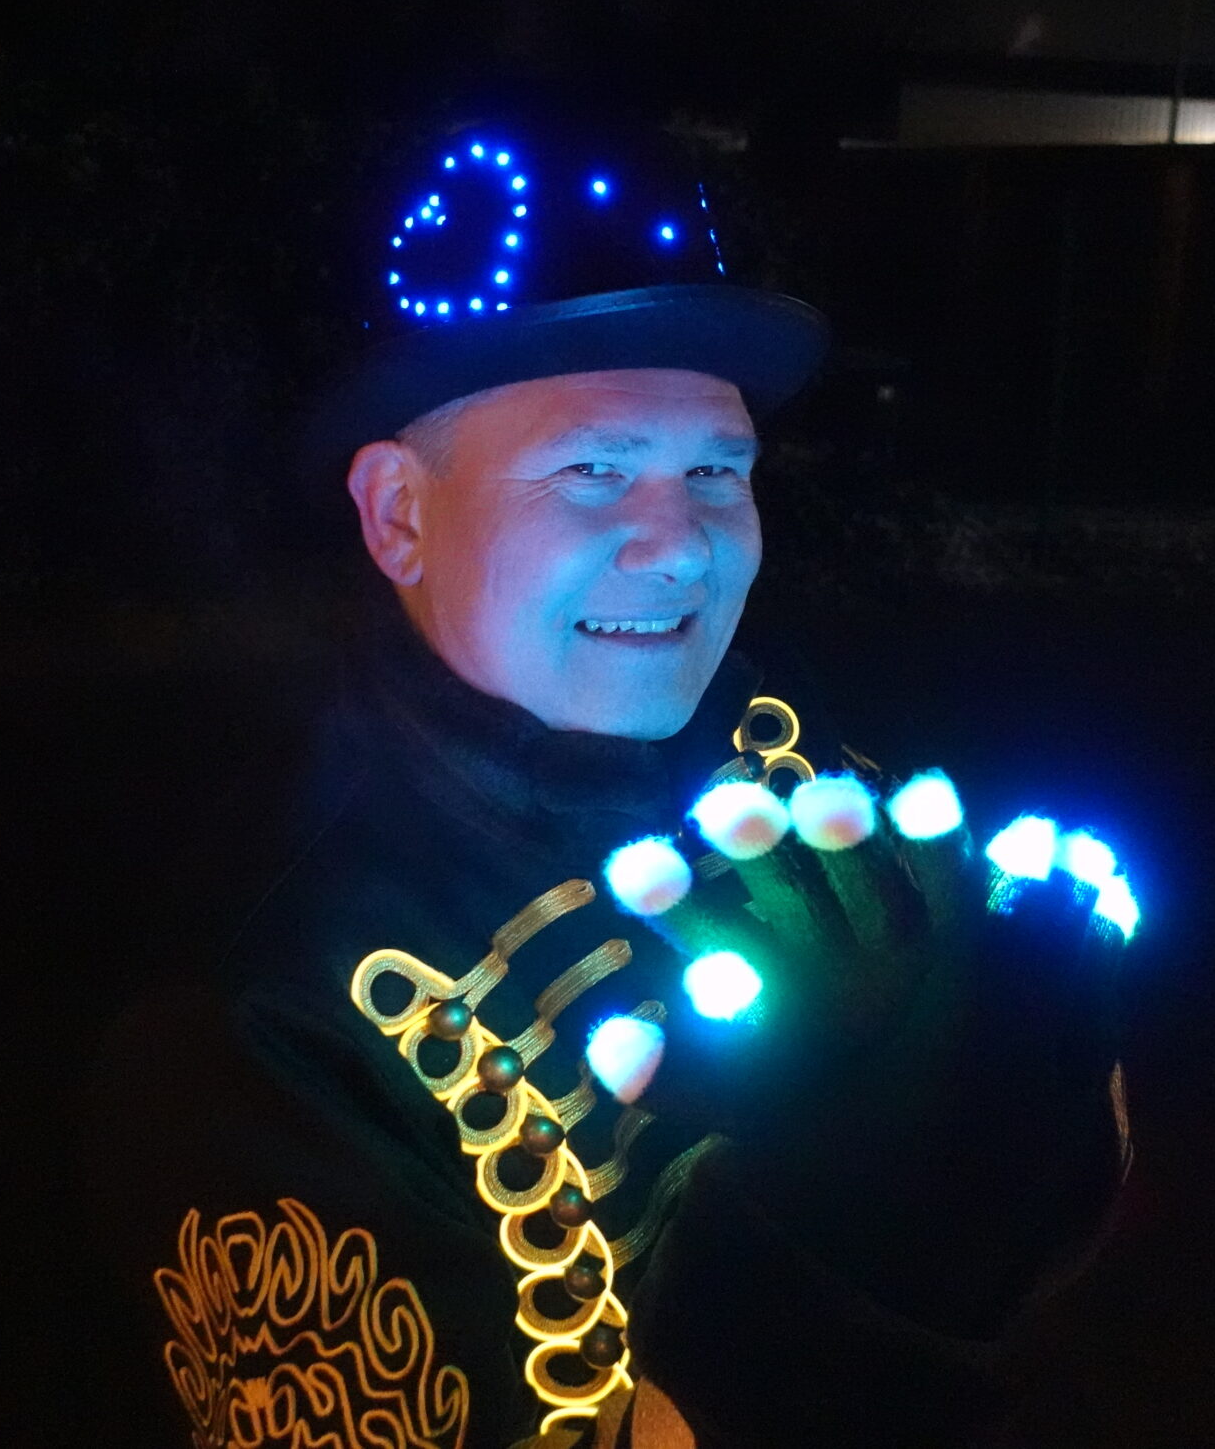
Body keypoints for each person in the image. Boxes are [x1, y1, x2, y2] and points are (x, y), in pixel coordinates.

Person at [87, 125, 1134, 1449]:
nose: (680, 543)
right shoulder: (261, 1015)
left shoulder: (778, 762)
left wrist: (1037, 1100)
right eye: (592, 470)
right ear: (400, 516)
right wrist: (862, 1250)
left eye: (715, 471)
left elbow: (1065, 1216)